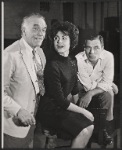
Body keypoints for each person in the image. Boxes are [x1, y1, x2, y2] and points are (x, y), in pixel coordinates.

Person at [36, 21, 94, 148]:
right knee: (85, 129)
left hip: (62, 108)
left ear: (71, 40)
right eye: (56, 38)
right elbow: (60, 100)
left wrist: (80, 109)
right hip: (50, 110)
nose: (59, 41)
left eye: (64, 38)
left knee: (90, 126)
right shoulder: (53, 65)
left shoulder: (73, 61)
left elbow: (74, 91)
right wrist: (83, 112)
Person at [4, 13, 47, 148]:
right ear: (23, 31)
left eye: (44, 29)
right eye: (35, 28)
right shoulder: (9, 54)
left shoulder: (40, 52)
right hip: (13, 126)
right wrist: (18, 110)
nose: (41, 33)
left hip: (33, 123)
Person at [75, 34, 118, 145]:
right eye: (88, 47)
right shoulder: (78, 59)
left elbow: (105, 82)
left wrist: (92, 92)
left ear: (102, 48)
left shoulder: (108, 56)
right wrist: (107, 84)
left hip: (93, 88)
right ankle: (83, 129)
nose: (92, 52)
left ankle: (103, 129)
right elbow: (87, 86)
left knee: (109, 94)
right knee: (109, 90)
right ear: (84, 48)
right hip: (81, 88)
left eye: (96, 47)